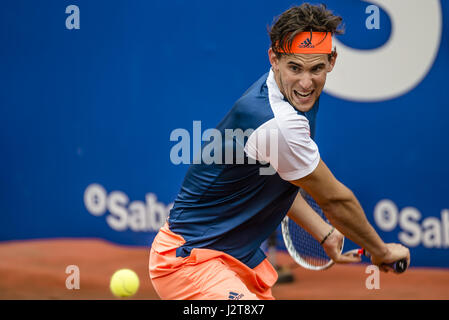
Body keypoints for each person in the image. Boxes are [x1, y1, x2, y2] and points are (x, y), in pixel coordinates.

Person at [149, 3, 410, 300]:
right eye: (295, 67)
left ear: (332, 60)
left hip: (234, 263)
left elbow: (283, 178)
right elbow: (336, 200)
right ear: (274, 58)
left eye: (317, 68)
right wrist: (382, 251)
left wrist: (324, 233)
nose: (305, 83)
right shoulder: (279, 122)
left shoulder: (286, 95)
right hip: (189, 262)